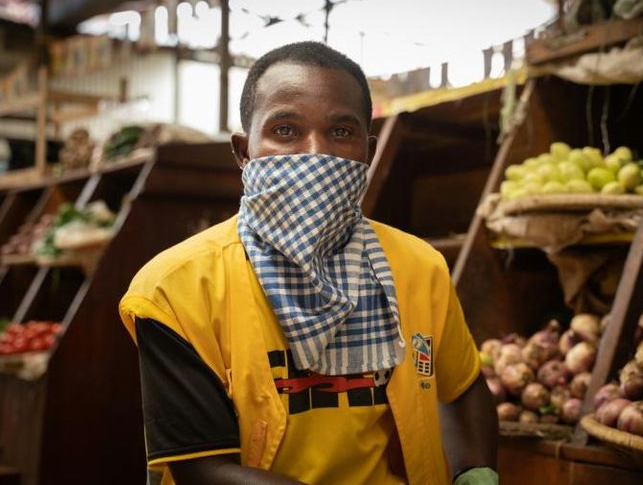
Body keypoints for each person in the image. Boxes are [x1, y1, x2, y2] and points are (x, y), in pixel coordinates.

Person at [119, 41, 498, 485]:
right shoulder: (174, 291)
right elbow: (203, 469)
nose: (315, 154)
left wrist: (476, 470)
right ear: (244, 152)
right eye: (285, 130)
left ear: (367, 152)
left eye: (341, 132)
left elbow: (463, 384)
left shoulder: (419, 268)